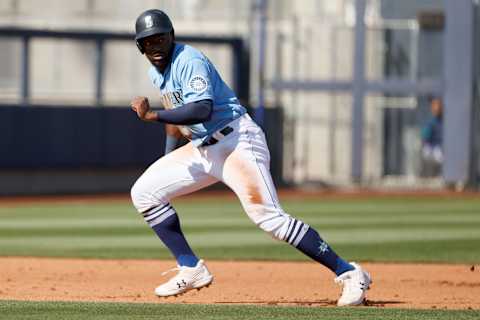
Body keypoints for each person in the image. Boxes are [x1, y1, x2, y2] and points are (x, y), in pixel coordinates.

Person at [129, 9, 371, 306]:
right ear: (141, 46)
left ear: (172, 36)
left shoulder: (188, 60)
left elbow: (201, 109)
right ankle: (191, 267)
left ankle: (349, 273)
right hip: (203, 147)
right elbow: (176, 122)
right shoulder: (157, 73)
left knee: (270, 219)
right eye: (148, 42)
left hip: (237, 141)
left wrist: (151, 114)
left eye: (160, 38)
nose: (155, 46)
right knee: (145, 192)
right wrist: (167, 160)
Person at [420, 96, 443, 177]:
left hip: (443, 148)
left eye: (438, 106)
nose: (436, 108)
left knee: (440, 155)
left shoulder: (445, 120)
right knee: (429, 152)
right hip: (433, 148)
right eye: (434, 106)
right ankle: (428, 176)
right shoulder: (430, 121)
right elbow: (425, 137)